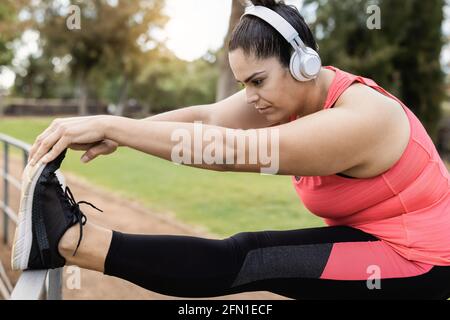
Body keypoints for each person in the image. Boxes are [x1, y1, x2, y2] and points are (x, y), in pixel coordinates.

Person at [11, 0, 450, 299]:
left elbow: (226, 151)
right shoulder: (290, 95)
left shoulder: (361, 118)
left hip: (420, 258)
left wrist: (115, 125)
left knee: (251, 258)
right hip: (375, 235)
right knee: (253, 254)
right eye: (243, 84)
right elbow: (210, 118)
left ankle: (70, 242)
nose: (250, 96)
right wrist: (120, 135)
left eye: (257, 81)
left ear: (304, 63)